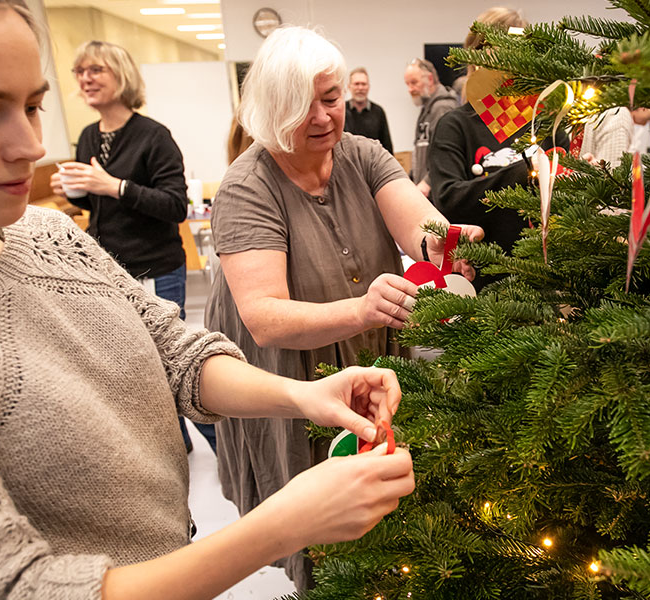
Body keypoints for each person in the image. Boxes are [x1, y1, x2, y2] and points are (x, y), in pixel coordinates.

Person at [0, 2, 414, 598]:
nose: (31, 146)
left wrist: (302, 394)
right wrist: (281, 525)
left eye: (34, 106)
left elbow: (176, 354)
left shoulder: (48, 236)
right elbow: (17, 589)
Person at [205, 26, 483, 589]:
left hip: (368, 353)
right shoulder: (246, 187)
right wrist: (361, 309)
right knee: (322, 529)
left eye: (330, 98)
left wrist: (440, 243)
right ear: (268, 109)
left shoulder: (363, 155)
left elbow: (418, 226)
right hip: (293, 372)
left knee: (386, 505)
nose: (322, 117)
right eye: (299, 105)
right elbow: (266, 318)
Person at [48, 39, 210, 453]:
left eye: (96, 70)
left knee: (173, 361)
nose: (85, 79)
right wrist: (76, 192)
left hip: (154, 267)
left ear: (121, 76)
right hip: (108, 269)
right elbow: (99, 203)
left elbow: (174, 205)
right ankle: (179, 445)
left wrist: (113, 185)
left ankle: (223, 446)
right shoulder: (88, 136)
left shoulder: (153, 136)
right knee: (142, 366)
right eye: (80, 72)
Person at [428, 7, 568, 289]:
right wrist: (527, 171)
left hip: (545, 284)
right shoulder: (455, 125)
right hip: (476, 285)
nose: (509, 64)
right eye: (499, 52)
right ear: (476, 59)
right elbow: (447, 199)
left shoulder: (545, 124)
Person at [404, 57, 460, 198]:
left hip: (435, 194)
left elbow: (446, 153)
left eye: (414, 83)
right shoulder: (427, 108)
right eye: (407, 84)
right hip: (425, 193)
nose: (410, 89)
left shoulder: (442, 107)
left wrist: (427, 182)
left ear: (429, 79)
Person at [344, 67, 394, 154]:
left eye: (363, 84)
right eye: (356, 84)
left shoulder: (378, 112)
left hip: (372, 165)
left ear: (368, 87)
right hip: (346, 164)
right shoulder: (341, 110)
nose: (360, 88)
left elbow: (387, 145)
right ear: (349, 86)